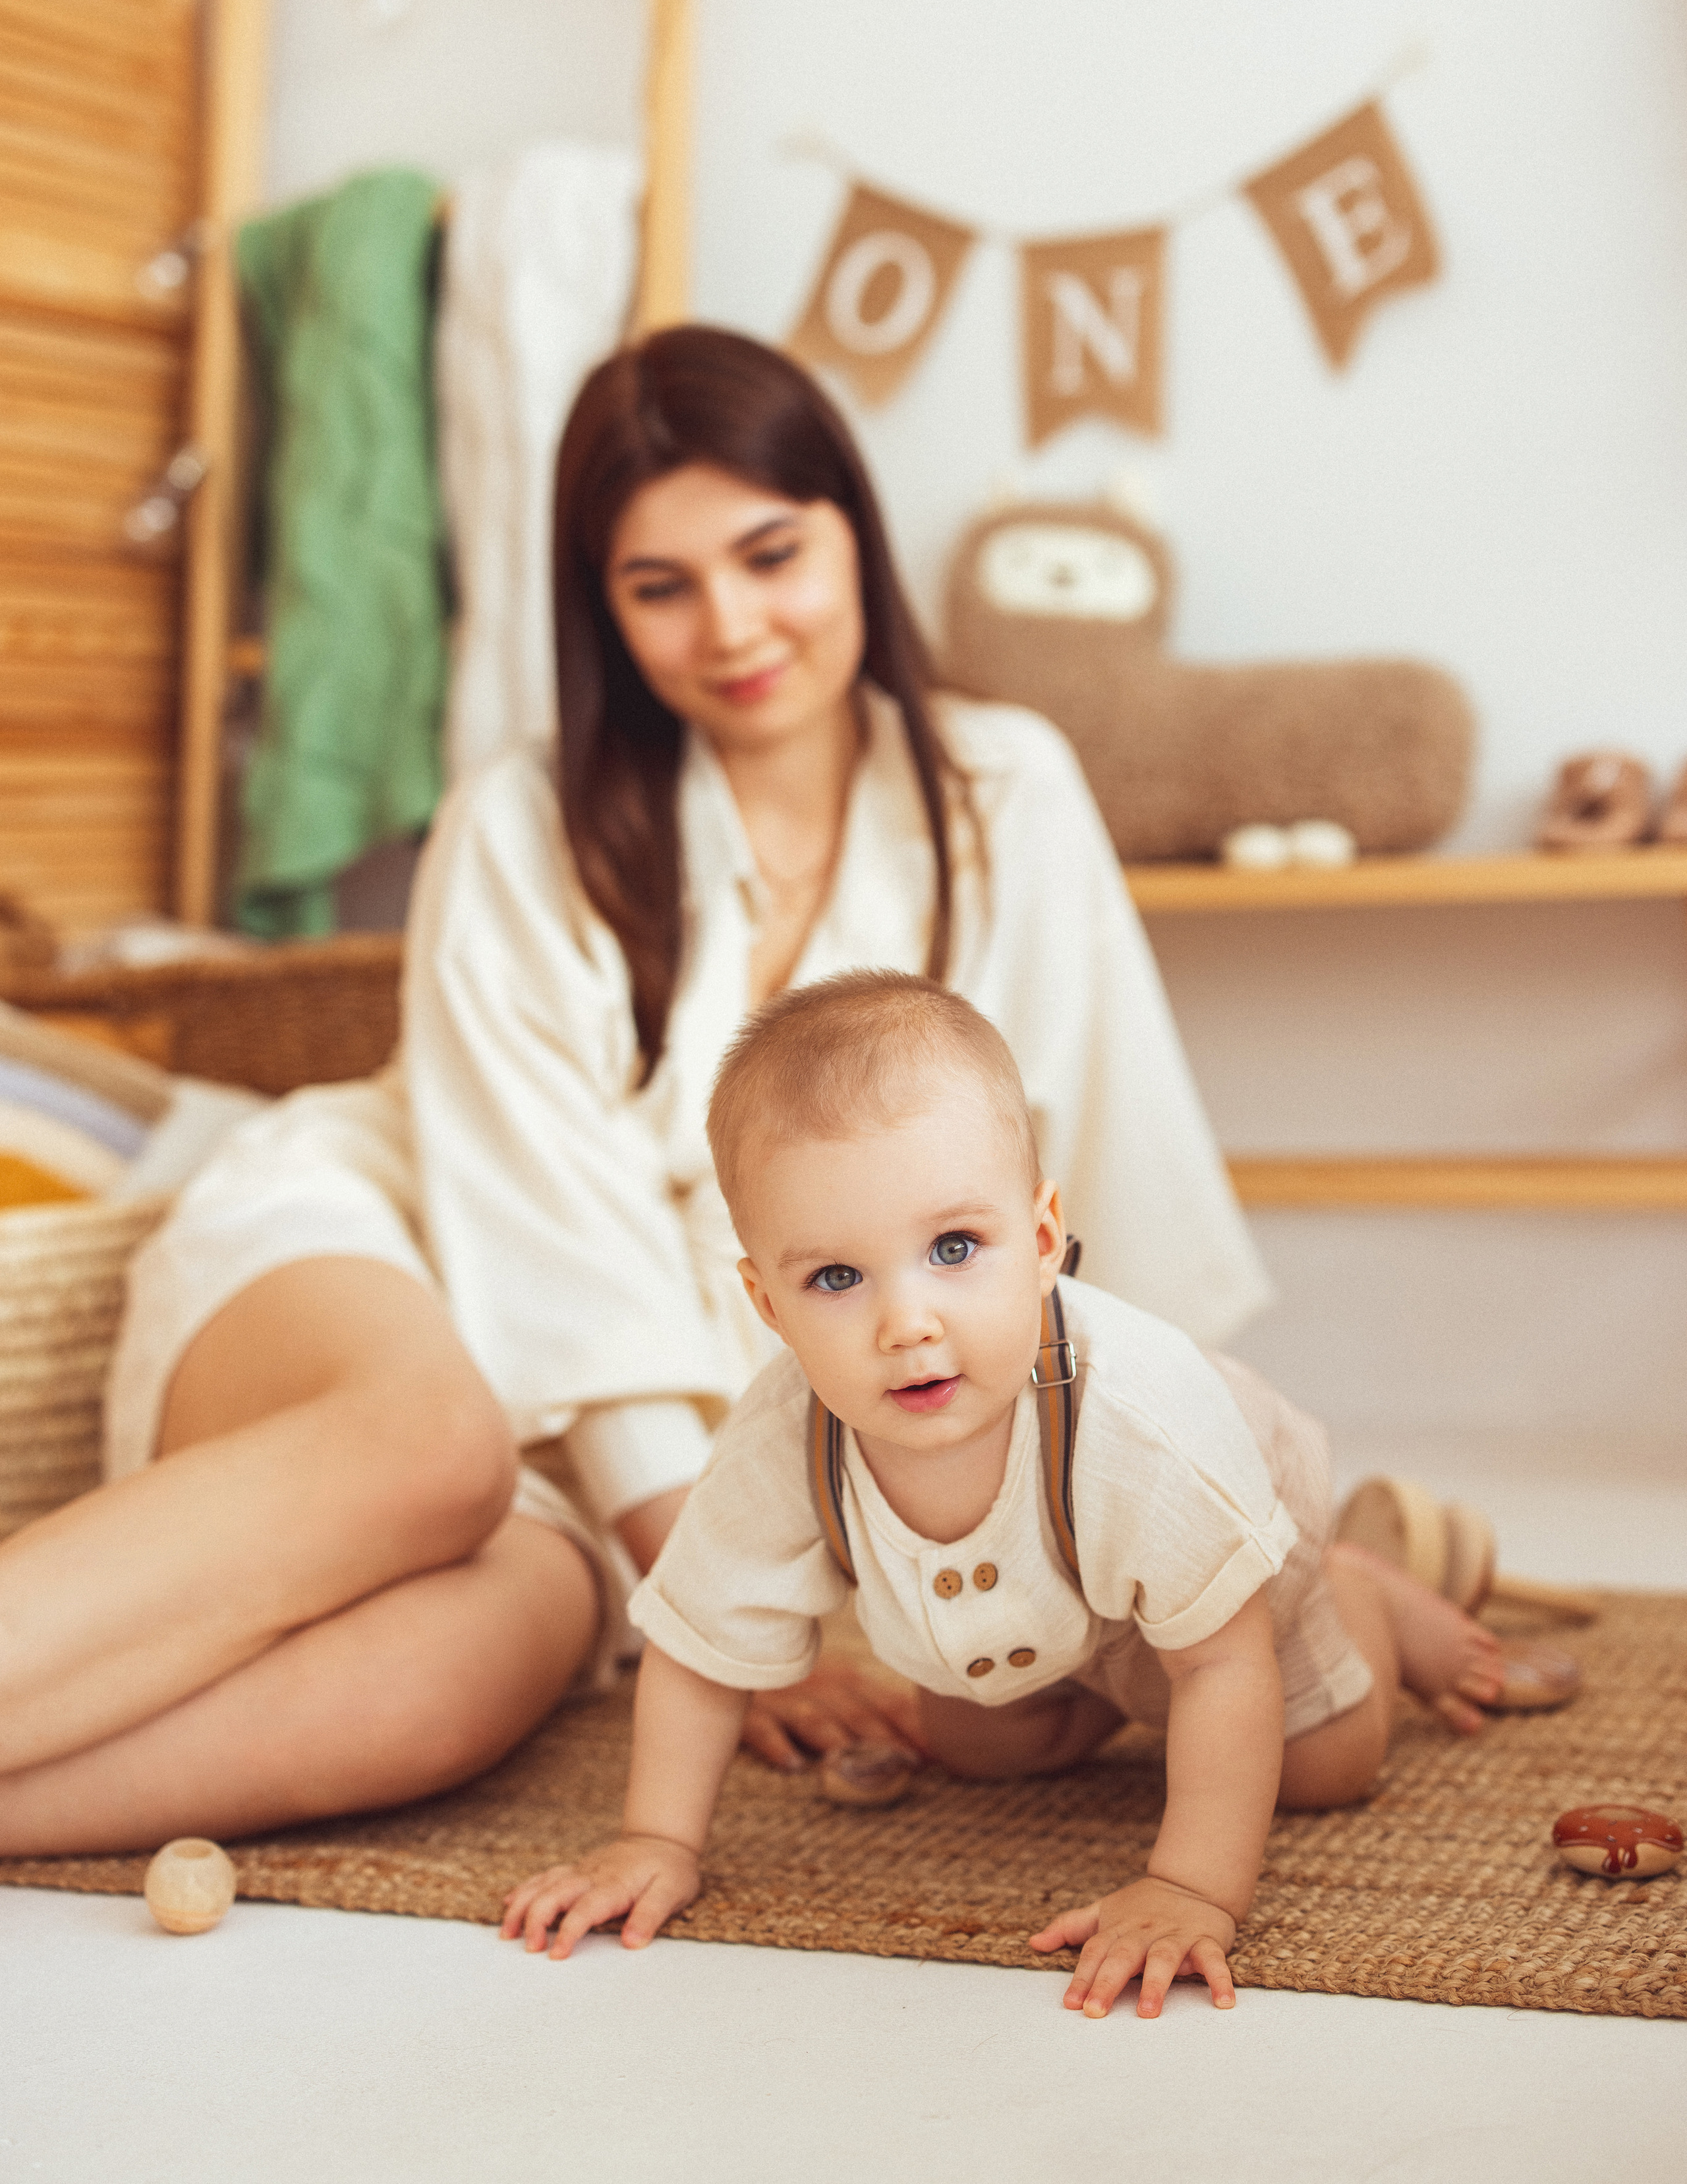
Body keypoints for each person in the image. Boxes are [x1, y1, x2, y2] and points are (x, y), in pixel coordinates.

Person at [0, 326, 1267, 1858]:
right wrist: (724, 1585)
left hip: (680, 1432)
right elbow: (540, 1222)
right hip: (392, 1247)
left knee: (467, 1678)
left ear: (851, 533)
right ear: (600, 608)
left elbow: (1101, 1166)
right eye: (656, 584)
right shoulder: (521, 822)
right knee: (435, 1444)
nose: (729, 623)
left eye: (768, 553)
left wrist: (1240, 1512)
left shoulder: (1011, 787)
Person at [500, 973, 1512, 2018]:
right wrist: (657, 1839)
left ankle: (1367, 1593)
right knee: (979, 1742)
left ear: (1039, 1241)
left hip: (1228, 1550)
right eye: (837, 1278)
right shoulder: (781, 1436)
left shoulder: (1140, 1423)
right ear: (766, 1300)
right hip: (1062, 1593)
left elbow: (1220, 1663)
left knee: (1320, 1765)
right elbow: (699, 1649)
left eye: (952, 1249)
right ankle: (1095, 1676)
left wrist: (1188, 1886)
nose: (908, 1321)